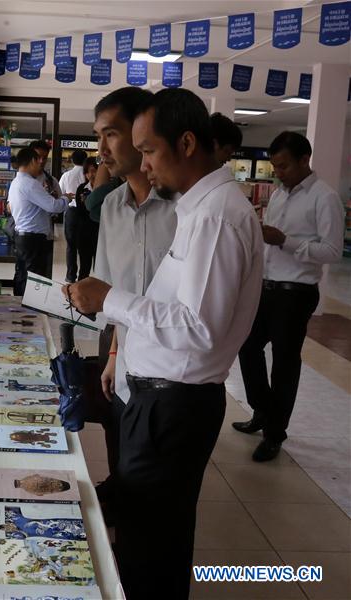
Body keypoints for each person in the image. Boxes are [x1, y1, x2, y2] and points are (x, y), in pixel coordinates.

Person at [64, 88, 263, 599]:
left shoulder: (217, 215)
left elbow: (199, 328)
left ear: (188, 142)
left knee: (152, 549)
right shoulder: (201, 210)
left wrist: (112, 299)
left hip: (173, 404)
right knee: (147, 535)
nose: (144, 164)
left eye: (149, 150)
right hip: (154, 395)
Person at [90, 86, 178, 515]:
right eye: (98, 135)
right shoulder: (110, 208)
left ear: (142, 132)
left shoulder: (185, 209)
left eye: (111, 134)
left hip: (169, 381)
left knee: (158, 505)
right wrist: (112, 354)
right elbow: (112, 292)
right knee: (121, 470)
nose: (102, 148)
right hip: (126, 368)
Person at [234, 131, 344, 461]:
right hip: (266, 288)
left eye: (283, 166)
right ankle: (263, 409)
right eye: (275, 166)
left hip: (296, 294)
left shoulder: (325, 198)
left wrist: (287, 241)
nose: (278, 173)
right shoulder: (279, 195)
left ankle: (274, 433)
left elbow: (332, 251)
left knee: (284, 363)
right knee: (246, 346)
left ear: (303, 160)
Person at [8, 146, 68, 295]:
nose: (41, 163)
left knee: (23, 275)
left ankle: (19, 307)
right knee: (33, 279)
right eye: (39, 159)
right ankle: (28, 311)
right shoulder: (30, 184)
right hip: (33, 239)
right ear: (33, 161)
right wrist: (67, 198)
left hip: (23, 236)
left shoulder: (16, 182)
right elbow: (53, 206)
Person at [63, 158, 99, 282]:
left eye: (94, 171)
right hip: (85, 233)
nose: (91, 175)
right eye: (87, 172)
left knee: (100, 267)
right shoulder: (82, 188)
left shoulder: (104, 189)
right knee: (85, 266)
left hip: (101, 233)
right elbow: (81, 211)